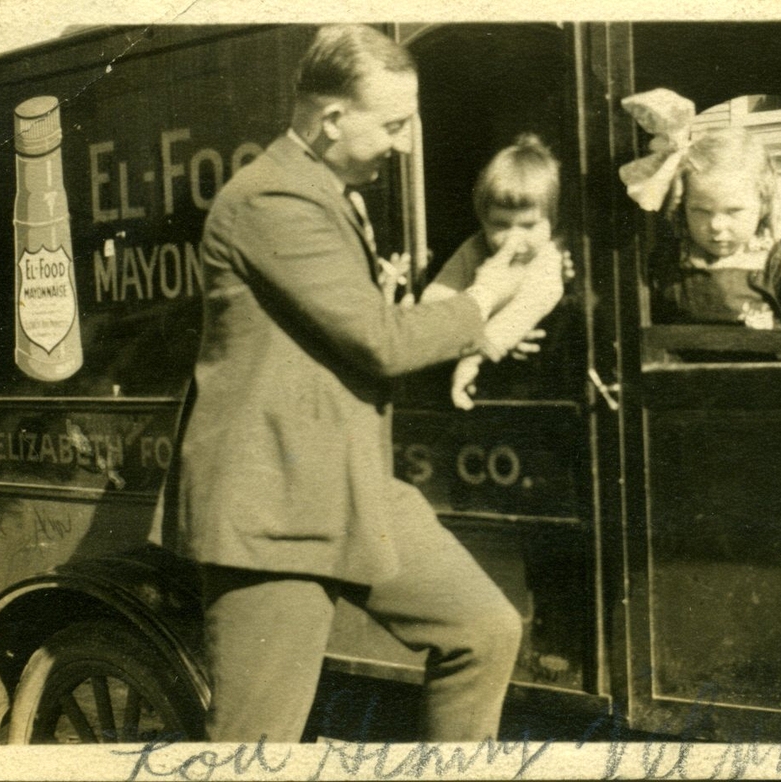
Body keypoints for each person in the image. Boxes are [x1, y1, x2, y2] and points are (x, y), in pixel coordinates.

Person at [175, 24, 547, 743]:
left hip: (352, 487)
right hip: (274, 512)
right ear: (333, 119)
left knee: (484, 630)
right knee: (259, 744)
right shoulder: (271, 200)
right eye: (395, 125)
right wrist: (484, 300)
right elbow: (378, 342)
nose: (405, 144)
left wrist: (458, 320)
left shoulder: (327, 191)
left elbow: (365, 332)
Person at [618, 90, 781, 348]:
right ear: (682, 206)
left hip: (761, 384)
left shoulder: (777, 260)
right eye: (701, 211)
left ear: (762, 206)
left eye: (733, 211)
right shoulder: (668, 260)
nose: (716, 226)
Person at [419, 134, 566, 409]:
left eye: (528, 225)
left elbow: (525, 310)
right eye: (500, 225)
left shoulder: (547, 260)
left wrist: (472, 359)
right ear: (483, 220)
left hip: (535, 381)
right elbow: (435, 299)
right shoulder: (474, 249)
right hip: (480, 362)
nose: (513, 239)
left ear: (552, 221)